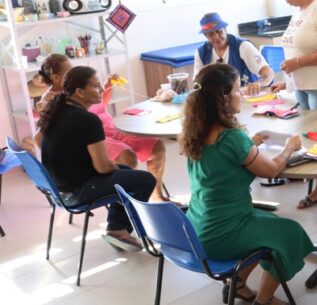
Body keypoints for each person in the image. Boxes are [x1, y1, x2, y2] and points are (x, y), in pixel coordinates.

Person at [180, 63, 314, 305]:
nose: (240, 95)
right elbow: (272, 170)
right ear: (223, 97)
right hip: (224, 231)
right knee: (290, 234)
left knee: (269, 224)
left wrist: (250, 144)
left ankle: (238, 285)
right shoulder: (232, 138)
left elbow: (223, 161)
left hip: (197, 226)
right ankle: (264, 299)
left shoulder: (195, 131)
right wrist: (289, 148)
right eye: (237, 90)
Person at [38, 66, 155, 252]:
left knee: (125, 171)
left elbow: (38, 140)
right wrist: (114, 168)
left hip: (58, 190)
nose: (101, 90)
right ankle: (119, 229)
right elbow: (102, 168)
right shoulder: (88, 120)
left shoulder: (55, 111)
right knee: (145, 180)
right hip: (77, 191)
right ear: (79, 92)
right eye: (96, 86)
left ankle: (117, 227)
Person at [36, 54, 172, 203]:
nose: (73, 73)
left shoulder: (79, 99)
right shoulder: (56, 102)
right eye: (69, 71)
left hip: (106, 129)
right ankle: (125, 209)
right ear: (56, 77)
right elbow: (40, 138)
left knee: (155, 146)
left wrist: (105, 87)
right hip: (88, 153)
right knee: (127, 160)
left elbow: (99, 106)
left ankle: (151, 198)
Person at [270, 0, 317, 223]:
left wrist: (299, 62)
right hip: (302, 85)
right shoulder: (298, 9)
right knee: (312, 142)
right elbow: (298, 48)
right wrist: (289, 78)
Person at [194, 12, 274, 96]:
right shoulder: (201, 53)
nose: (216, 37)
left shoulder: (243, 46)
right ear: (205, 36)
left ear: (225, 29)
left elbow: (269, 73)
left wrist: (259, 83)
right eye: (211, 34)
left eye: (219, 31)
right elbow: (197, 82)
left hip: (247, 97)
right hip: (218, 100)